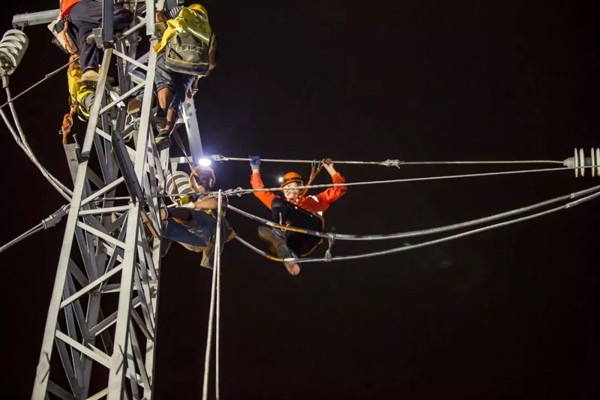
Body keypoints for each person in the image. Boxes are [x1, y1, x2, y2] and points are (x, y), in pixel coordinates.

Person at [127, 2, 218, 150]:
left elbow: (157, 17)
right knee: (177, 101)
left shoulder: (183, 12)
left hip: (172, 58)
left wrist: (160, 18)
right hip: (192, 69)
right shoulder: (208, 31)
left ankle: (157, 110)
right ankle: (165, 133)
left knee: (163, 82)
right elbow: (211, 63)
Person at [249, 156, 347, 275]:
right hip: (301, 244)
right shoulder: (282, 207)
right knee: (278, 205)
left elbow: (340, 189)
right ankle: (292, 258)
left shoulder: (313, 199)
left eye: (293, 187)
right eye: (286, 188)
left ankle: (279, 235)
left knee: (279, 204)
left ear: (300, 187)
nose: (289, 190)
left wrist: (331, 170)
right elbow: (260, 192)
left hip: (312, 229)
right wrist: (255, 169)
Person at [160, 166, 235, 267]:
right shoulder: (187, 195)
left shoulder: (214, 196)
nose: (203, 183)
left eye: (206, 180)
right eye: (200, 180)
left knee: (192, 217)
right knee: (168, 225)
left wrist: (195, 205)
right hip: (195, 239)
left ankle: (167, 216)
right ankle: (158, 226)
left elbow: (218, 202)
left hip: (209, 230)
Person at [60, 0, 133, 85]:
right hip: (82, 6)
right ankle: (101, 31)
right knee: (124, 14)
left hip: (72, 16)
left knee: (88, 40)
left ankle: (89, 70)